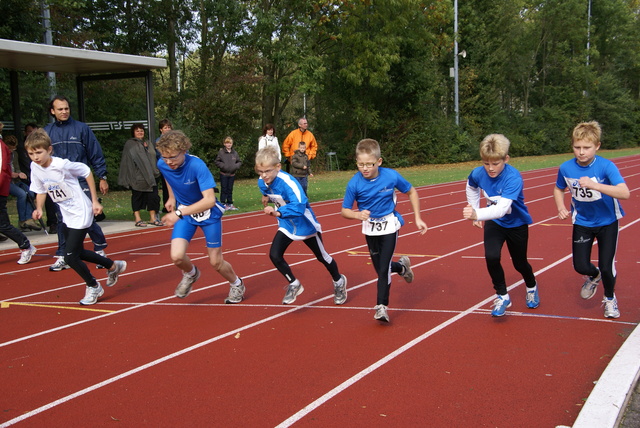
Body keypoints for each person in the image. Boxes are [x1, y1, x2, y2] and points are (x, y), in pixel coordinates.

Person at [26, 129, 126, 305]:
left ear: (49, 149)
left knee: (69, 256)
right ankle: (112, 265)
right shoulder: (35, 167)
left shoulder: (62, 165)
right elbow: (41, 189)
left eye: (39, 152)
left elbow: (86, 171)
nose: (35, 157)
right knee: (77, 252)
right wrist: (39, 208)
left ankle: (93, 286)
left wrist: (94, 201)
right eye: (31, 153)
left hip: (81, 210)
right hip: (66, 213)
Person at [341, 139, 427, 322]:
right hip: (370, 228)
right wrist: (356, 215)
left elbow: (411, 191)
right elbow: (345, 210)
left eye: (369, 164)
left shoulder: (391, 176)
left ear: (379, 162)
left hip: (389, 224)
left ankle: (381, 306)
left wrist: (417, 217)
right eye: (360, 164)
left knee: (382, 270)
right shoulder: (354, 183)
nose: (364, 168)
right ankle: (402, 267)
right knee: (381, 267)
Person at [157, 130, 245, 304]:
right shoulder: (163, 163)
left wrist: (178, 213)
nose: (169, 162)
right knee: (177, 257)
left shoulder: (197, 166)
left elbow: (210, 200)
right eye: (165, 157)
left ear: (184, 150)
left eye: (173, 157)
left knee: (215, 262)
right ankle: (191, 274)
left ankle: (237, 284)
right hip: (186, 214)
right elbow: (168, 177)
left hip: (207, 214)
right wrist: (172, 197)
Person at [553, 121, 630, 318]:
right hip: (582, 222)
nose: (581, 152)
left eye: (586, 148)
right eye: (577, 147)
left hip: (608, 222)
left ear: (597, 146)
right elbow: (558, 188)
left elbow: (624, 193)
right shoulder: (566, 168)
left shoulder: (606, 166)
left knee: (606, 266)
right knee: (580, 266)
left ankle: (610, 299)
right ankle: (593, 276)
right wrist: (561, 206)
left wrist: (596, 186)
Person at [255, 146, 347, 305]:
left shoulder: (290, 184)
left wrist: (277, 213)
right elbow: (267, 190)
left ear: (278, 167)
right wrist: (265, 197)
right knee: (274, 255)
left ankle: (339, 281)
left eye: (267, 171)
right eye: (260, 171)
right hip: (286, 224)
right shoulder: (263, 182)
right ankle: (294, 284)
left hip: (305, 224)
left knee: (322, 257)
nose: (263, 176)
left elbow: (298, 206)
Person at [462, 134, 539, 317]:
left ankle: (531, 286)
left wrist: (477, 213)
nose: (490, 168)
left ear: (506, 159)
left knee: (520, 263)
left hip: (516, 224)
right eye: (486, 163)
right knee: (491, 256)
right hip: (495, 223)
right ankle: (502, 295)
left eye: (495, 163)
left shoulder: (513, 177)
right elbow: (471, 186)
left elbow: (502, 209)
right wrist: (475, 209)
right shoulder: (478, 173)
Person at [44, 95, 109, 271]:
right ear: (52, 111)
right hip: (59, 183)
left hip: (81, 180)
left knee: (87, 214)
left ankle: (100, 249)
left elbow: (95, 152)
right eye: (60, 109)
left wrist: (102, 176)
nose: (64, 112)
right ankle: (63, 254)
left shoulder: (81, 129)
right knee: (62, 219)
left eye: (66, 108)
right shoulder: (47, 132)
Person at [0, 125, 37, 264]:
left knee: (3, 224)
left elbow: (4, 170)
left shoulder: (1, 146)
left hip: (1, 190)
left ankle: (26, 246)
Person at [118, 123, 162, 227]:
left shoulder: (148, 143)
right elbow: (127, 161)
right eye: (137, 130)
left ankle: (153, 217)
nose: (140, 132)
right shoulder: (130, 144)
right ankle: (137, 218)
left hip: (152, 175)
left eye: (141, 130)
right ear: (133, 132)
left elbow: (153, 157)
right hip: (137, 176)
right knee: (137, 197)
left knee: (153, 197)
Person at [4, 135, 40, 231]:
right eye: (9, 148)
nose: (11, 150)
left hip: (16, 180)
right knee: (22, 194)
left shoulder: (14, 154)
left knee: (30, 192)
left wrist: (20, 173)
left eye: (13, 148)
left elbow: (17, 167)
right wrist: (12, 174)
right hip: (7, 182)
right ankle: (22, 221)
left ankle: (28, 219)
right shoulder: (2, 154)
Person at [214, 136, 242, 210]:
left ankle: (230, 203)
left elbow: (239, 161)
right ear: (224, 144)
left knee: (230, 189)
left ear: (232, 144)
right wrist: (223, 166)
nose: (229, 145)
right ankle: (223, 203)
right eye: (227, 143)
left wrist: (235, 166)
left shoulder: (235, 153)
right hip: (224, 174)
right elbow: (217, 161)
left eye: (230, 143)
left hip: (232, 174)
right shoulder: (221, 152)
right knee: (224, 189)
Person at [156, 119, 173, 213]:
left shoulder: (174, 139)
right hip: (165, 167)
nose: (167, 129)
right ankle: (167, 206)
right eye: (165, 127)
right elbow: (159, 154)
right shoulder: (159, 141)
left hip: (175, 167)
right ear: (161, 129)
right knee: (166, 187)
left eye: (169, 127)